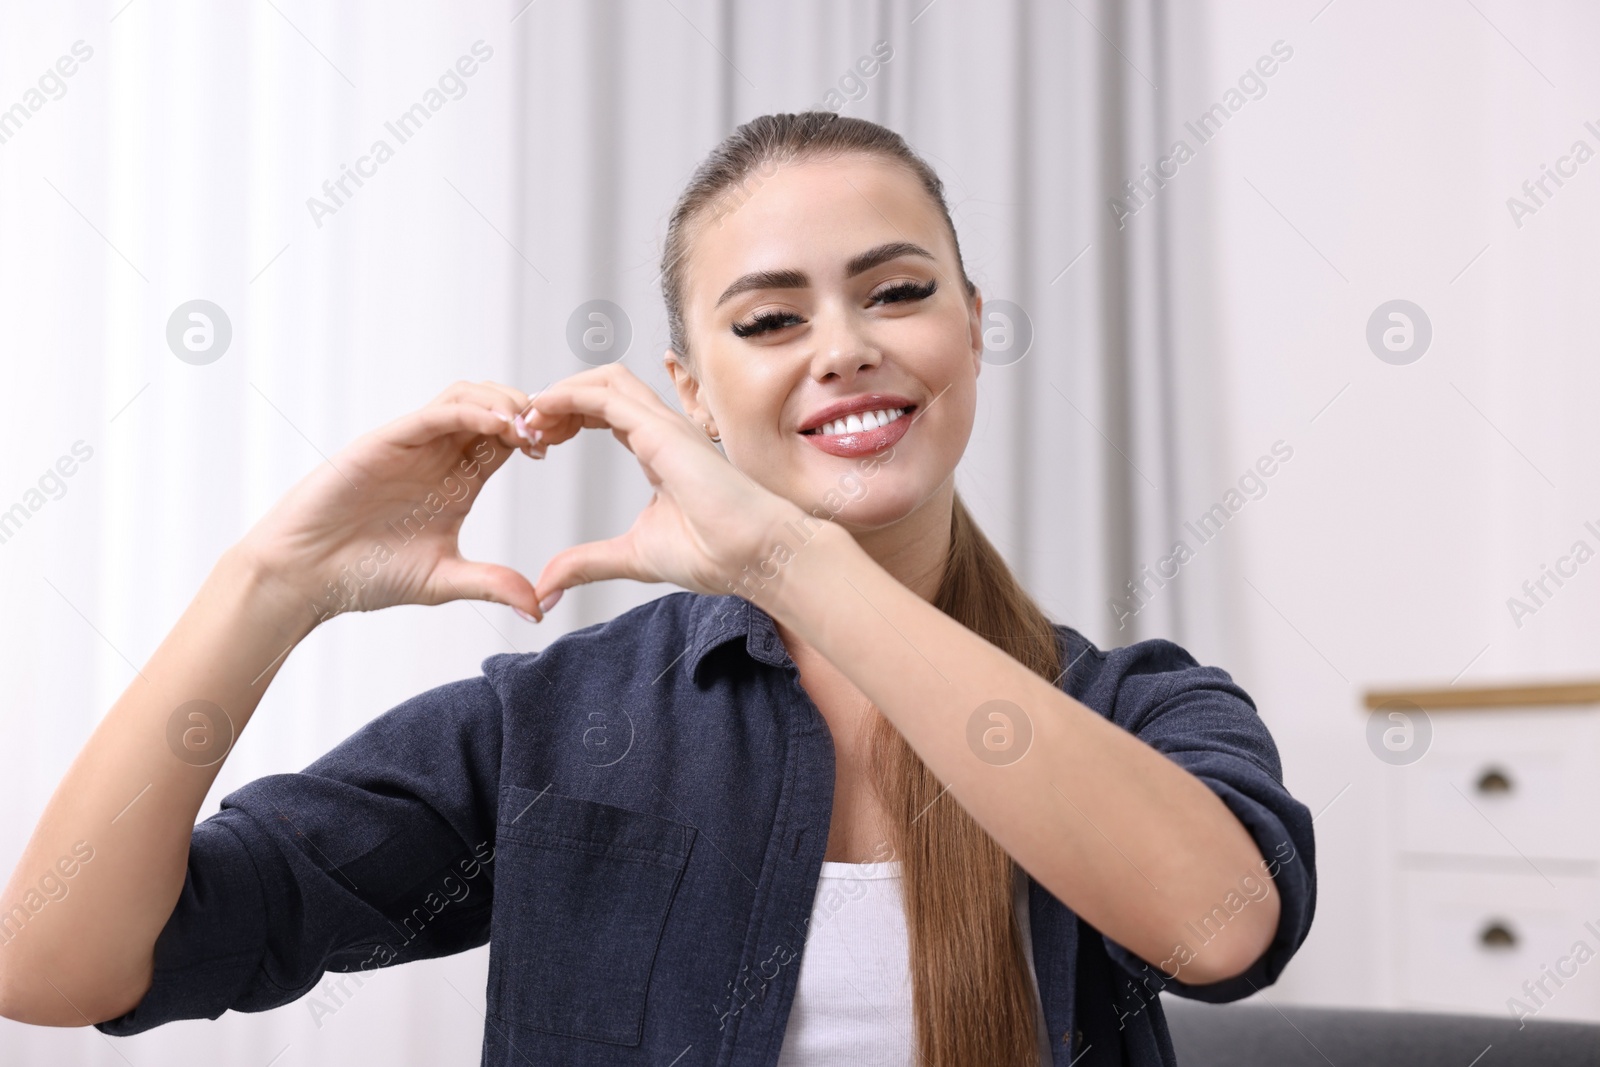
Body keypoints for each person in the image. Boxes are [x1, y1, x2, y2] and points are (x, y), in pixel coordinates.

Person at [0, 111, 1315, 1067]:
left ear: (972, 325)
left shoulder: (1138, 708)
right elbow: (54, 967)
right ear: (690, 392)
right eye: (770, 320)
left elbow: (1222, 928)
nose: (846, 350)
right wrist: (268, 583)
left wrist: (787, 560)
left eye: (897, 294)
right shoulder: (556, 722)